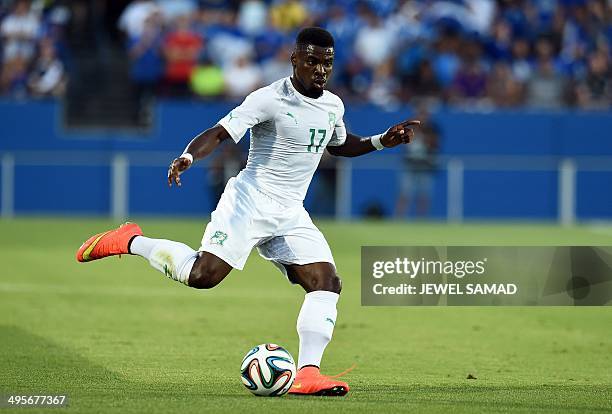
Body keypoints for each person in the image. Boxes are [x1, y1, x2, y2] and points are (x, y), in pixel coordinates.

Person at [76, 27, 419, 397]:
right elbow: (220, 132)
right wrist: (189, 156)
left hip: (290, 212)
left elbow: (338, 145)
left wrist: (383, 140)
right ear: (295, 60)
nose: (320, 69)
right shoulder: (268, 98)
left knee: (326, 282)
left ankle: (307, 373)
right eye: (313, 61)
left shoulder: (333, 105)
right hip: (250, 200)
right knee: (202, 275)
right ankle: (131, 240)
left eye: (327, 63)